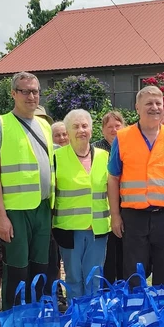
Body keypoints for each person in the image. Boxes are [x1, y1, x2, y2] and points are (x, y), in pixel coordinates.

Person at [0, 72, 55, 309]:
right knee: (17, 269)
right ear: (13, 93)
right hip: (15, 211)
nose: (31, 96)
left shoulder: (45, 125)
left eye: (35, 91)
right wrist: (1, 217)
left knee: (40, 268)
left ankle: (34, 319)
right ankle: (14, 324)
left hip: (43, 208)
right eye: (25, 91)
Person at [108, 86, 164, 286]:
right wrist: (115, 215)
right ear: (137, 107)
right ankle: (136, 313)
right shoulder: (123, 137)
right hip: (134, 216)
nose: (154, 108)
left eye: (158, 103)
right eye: (149, 104)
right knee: (134, 270)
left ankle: (163, 311)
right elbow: (113, 178)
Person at [52, 109, 110, 298]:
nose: (81, 130)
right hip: (69, 229)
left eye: (85, 126)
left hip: (98, 228)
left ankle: (92, 321)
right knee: (74, 277)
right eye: (75, 127)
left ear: (92, 130)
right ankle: (75, 319)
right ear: (67, 132)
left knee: (94, 277)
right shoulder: (57, 157)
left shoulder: (104, 156)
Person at [94, 111, 126, 283]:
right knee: (109, 251)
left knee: (125, 251)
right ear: (103, 130)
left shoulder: (128, 144)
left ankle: (123, 286)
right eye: (109, 127)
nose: (114, 130)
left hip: (127, 203)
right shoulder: (96, 149)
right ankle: (108, 287)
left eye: (117, 125)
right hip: (104, 206)